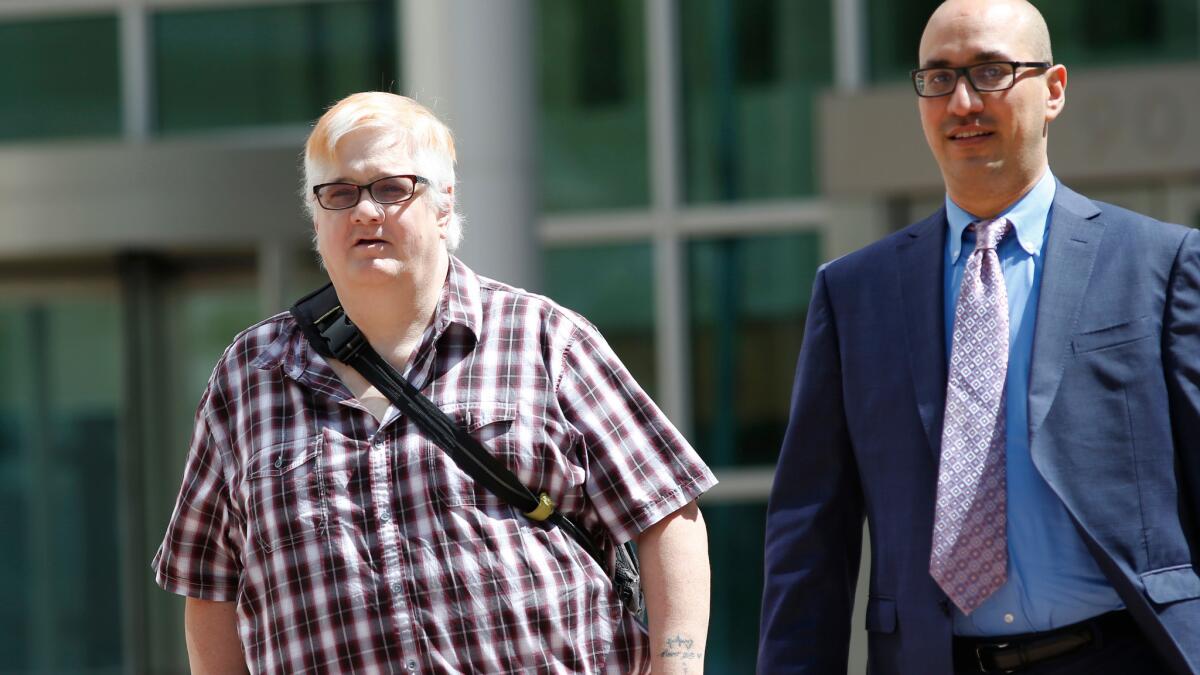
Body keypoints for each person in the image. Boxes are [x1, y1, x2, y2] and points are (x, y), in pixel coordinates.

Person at [153, 91, 717, 674]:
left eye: (393, 189)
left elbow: (667, 515)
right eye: (340, 194)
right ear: (316, 218)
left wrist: (676, 666)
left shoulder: (545, 339)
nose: (365, 212)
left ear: (444, 205)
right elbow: (209, 583)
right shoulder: (250, 376)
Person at [758, 0, 1200, 673]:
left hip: (1127, 654)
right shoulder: (853, 295)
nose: (962, 101)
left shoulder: (1161, 265)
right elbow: (809, 538)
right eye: (938, 78)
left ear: (1053, 90)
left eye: (990, 72)